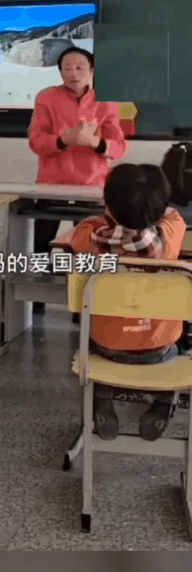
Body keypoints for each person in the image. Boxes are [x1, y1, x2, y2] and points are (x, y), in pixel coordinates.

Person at [69, 163, 187, 442]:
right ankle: (163, 400)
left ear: (108, 204)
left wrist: (110, 216)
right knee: (174, 346)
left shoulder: (91, 238)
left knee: (92, 341)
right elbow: (173, 216)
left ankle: (102, 395)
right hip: (159, 347)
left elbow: (80, 233)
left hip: (108, 344)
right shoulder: (171, 235)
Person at [28, 48, 127, 309]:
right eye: (67, 68)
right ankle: (34, 302)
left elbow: (119, 147)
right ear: (60, 72)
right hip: (51, 184)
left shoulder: (107, 101)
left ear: (92, 70)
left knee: (89, 245)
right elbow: (36, 142)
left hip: (91, 186)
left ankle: (83, 306)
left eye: (79, 67)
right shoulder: (47, 98)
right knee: (40, 243)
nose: (73, 73)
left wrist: (96, 143)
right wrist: (63, 140)